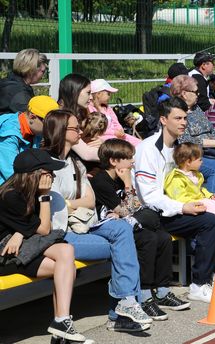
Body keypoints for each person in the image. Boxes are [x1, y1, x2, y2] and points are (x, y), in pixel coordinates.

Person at [44, 109, 152, 331]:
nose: (81, 131)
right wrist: (74, 203)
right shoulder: (45, 164)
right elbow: (54, 204)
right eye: (76, 128)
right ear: (61, 131)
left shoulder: (75, 163)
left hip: (83, 225)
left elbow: (90, 200)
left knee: (122, 231)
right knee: (123, 245)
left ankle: (126, 305)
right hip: (59, 235)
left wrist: (68, 203)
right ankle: (123, 311)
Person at [134, 97, 215, 303]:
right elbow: (149, 196)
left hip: (178, 205)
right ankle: (199, 284)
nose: (183, 122)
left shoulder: (180, 147)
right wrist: (183, 207)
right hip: (157, 213)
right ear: (163, 120)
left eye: (185, 118)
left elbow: (189, 182)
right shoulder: (148, 149)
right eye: (177, 118)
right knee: (210, 221)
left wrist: (207, 196)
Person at [90, 139, 190, 321]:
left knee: (163, 237)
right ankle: (144, 295)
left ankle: (162, 291)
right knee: (148, 239)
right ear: (114, 161)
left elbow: (135, 206)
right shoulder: (101, 181)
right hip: (108, 228)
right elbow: (127, 210)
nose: (133, 161)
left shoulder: (121, 178)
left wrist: (127, 198)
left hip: (127, 223)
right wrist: (128, 185)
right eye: (128, 158)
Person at [0, 149, 87, 342]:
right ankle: (61, 326)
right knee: (67, 267)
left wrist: (20, 232)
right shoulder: (10, 196)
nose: (53, 177)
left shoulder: (29, 192)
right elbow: (45, 229)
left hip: (23, 249)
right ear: (34, 174)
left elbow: (33, 227)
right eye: (49, 172)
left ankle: (61, 322)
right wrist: (45, 196)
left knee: (66, 254)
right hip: (6, 255)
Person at [169, 75, 215, 197]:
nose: (198, 95)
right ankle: (211, 202)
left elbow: (211, 129)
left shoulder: (196, 108)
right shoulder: (178, 113)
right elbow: (186, 141)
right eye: (196, 92)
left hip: (210, 152)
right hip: (190, 155)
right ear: (184, 93)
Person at [164, 142, 215, 230]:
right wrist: (197, 203)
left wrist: (210, 196)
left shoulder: (195, 175)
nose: (202, 162)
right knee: (212, 206)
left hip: (200, 199)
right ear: (188, 162)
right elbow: (179, 198)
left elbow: (200, 189)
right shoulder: (177, 178)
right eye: (200, 160)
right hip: (193, 204)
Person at [0, 95, 59, 184]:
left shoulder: (35, 130)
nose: (51, 129)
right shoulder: (8, 134)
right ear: (32, 117)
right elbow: (12, 175)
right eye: (48, 124)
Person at [57, 73, 101, 162]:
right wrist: (117, 153)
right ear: (75, 92)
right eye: (88, 93)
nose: (91, 97)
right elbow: (87, 154)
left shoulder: (79, 113)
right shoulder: (62, 118)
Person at [89, 79, 141, 146]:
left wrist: (120, 129)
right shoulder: (90, 109)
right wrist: (114, 132)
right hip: (102, 137)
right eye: (108, 94)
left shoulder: (107, 108)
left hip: (116, 135)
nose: (110, 96)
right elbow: (96, 129)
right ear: (98, 94)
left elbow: (115, 121)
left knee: (139, 143)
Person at [0, 48, 48, 115]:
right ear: (31, 70)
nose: (43, 75)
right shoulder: (20, 93)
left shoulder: (9, 81)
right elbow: (31, 118)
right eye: (43, 71)